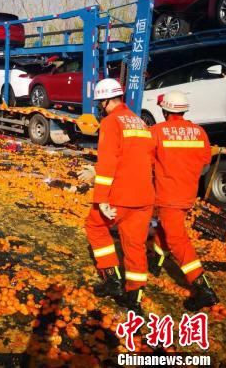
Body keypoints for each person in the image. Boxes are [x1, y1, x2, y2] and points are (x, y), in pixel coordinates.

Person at [84, 78, 155, 313]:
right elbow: (135, 156)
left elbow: (109, 161)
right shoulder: (139, 122)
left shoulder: (111, 122)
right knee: (135, 244)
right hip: (144, 195)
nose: (99, 106)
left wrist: (102, 198)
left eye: (99, 102)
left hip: (120, 195)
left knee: (95, 226)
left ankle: (112, 279)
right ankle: (134, 298)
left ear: (105, 101)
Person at [149, 91, 218, 311]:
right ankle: (155, 261)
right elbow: (205, 164)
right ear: (184, 110)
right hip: (187, 194)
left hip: (168, 195)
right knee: (166, 229)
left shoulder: (157, 132)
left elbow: (147, 162)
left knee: (177, 239)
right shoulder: (199, 132)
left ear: (165, 110)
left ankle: (203, 288)